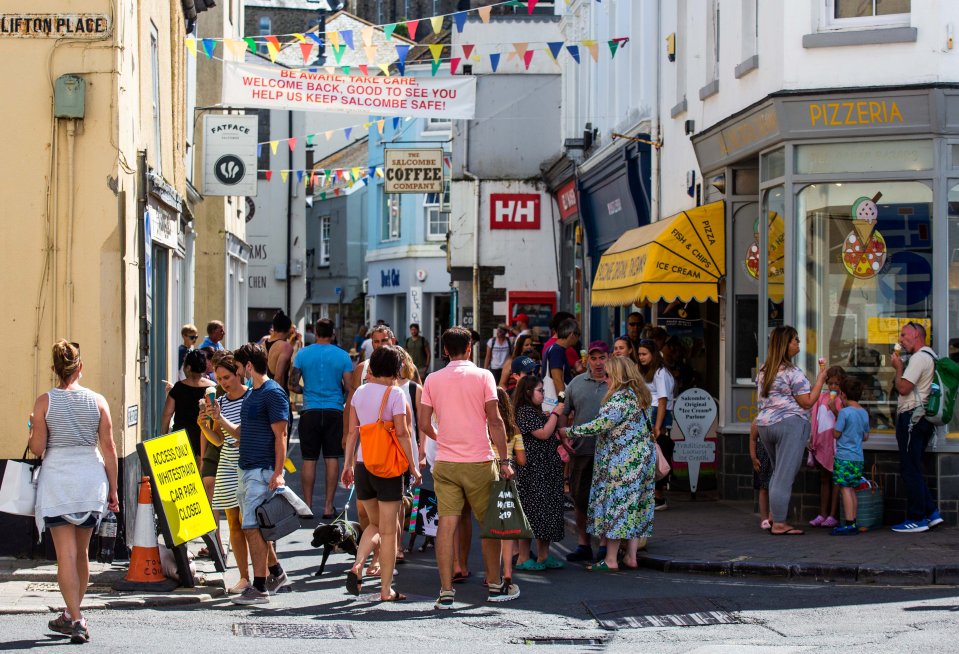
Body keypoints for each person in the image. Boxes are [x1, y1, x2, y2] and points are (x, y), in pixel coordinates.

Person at [419, 326, 518, 608]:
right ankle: (495, 585)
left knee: (447, 525)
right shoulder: (484, 375)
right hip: (480, 460)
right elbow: (495, 420)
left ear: (445, 350)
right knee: (489, 526)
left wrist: (444, 438)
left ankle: (446, 591)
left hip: (447, 462)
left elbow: (425, 424)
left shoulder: (432, 379)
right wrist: (504, 459)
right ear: (470, 349)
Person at [30, 341, 119, 644]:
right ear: (80, 367)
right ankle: (71, 615)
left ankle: (77, 619)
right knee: (81, 554)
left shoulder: (45, 402)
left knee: (64, 557)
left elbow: (38, 448)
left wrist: (32, 429)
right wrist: (114, 489)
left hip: (58, 483)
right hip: (90, 482)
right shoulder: (97, 401)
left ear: (54, 370)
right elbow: (109, 449)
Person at [209, 343, 290, 605]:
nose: (239, 371)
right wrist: (219, 419)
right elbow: (241, 435)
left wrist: (278, 473)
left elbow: (282, 435)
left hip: (262, 469)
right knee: (252, 527)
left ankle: (259, 587)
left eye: (240, 367)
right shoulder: (254, 395)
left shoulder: (272, 393)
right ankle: (274, 575)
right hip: (245, 469)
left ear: (249, 366)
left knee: (253, 528)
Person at [341, 345, 421, 601]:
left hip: (363, 465)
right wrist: (414, 466)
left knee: (373, 523)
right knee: (388, 531)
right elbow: (402, 433)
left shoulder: (360, 393)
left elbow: (353, 432)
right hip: (388, 468)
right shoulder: (395, 394)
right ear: (397, 369)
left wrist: (348, 465)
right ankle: (386, 590)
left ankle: (358, 563)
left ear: (372, 367)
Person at [560, 356, 655, 571]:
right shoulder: (640, 397)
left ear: (619, 377)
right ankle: (631, 556)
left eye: (609, 376)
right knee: (635, 506)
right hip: (643, 460)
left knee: (617, 507)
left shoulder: (619, 399)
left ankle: (611, 559)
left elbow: (600, 425)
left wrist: (570, 431)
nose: (605, 380)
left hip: (622, 462)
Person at [755, 326, 826, 536]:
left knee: (778, 473)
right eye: (795, 340)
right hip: (790, 425)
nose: (798, 343)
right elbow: (807, 402)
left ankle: (773, 516)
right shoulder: (792, 372)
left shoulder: (764, 370)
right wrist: (821, 378)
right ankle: (779, 523)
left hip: (765, 426)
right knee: (784, 476)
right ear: (785, 344)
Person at [197, 353, 252, 594]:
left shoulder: (251, 398)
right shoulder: (223, 402)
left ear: (238, 372)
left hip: (250, 464)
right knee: (234, 524)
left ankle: (271, 569)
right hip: (228, 465)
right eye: (218, 379)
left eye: (227, 377)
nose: (223, 383)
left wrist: (219, 417)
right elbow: (219, 440)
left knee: (254, 525)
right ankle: (243, 576)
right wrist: (204, 424)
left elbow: (241, 435)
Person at [289, 319, 353, 517]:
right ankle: (328, 506)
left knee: (309, 459)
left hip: (310, 410)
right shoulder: (343, 356)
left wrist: (305, 389)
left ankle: (307, 506)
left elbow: (292, 383)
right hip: (334, 410)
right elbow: (350, 388)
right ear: (333, 333)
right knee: (331, 458)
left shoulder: (303, 354)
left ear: (315, 332)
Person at [890, 321, 943, 532]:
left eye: (904, 335)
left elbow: (903, 388)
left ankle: (917, 518)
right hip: (922, 419)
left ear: (917, 335)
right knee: (913, 466)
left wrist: (898, 368)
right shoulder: (931, 356)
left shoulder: (920, 357)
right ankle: (931, 512)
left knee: (909, 468)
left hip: (912, 418)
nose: (900, 340)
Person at [561, 341, 610, 563]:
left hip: (610, 453)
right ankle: (583, 544)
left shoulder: (617, 384)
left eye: (602, 358)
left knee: (605, 500)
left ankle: (605, 545)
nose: (598, 363)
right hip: (582, 451)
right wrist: (562, 437)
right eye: (594, 358)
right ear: (587, 359)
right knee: (581, 499)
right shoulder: (576, 383)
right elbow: (564, 411)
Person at [511, 376, 566, 571]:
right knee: (531, 512)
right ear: (528, 392)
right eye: (539, 390)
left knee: (548, 512)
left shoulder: (535, 411)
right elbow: (542, 433)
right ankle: (523, 557)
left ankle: (544, 555)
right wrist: (555, 414)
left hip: (547, 468)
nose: (543, 394)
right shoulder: (524, 411)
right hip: (533, 470)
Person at [159, 349, 216, 467]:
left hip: (181, 438)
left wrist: (163, 436)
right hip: (206, 436)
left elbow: (167, 414)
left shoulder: (178, 387)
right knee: (203, 477)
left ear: (188, 367)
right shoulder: (213, 388)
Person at [637, 339, 675, 511]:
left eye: (644, 354)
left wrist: (657, 426)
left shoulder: (660, 373)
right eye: (639, 354)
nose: (641, 357)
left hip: (656, 414)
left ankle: (658, 495)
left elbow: (662, 401)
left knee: (658, 452)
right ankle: (652, 494)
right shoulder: (647, 371)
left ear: (653, 354)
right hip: (648, 412)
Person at [494, 386, 526, 586]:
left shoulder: (485, 426)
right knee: (506, 528)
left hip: (489, 474)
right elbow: (522, 459)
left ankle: (492, 573)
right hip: (508, 477)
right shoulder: (514, 429)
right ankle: (507, 571)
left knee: (491, 529)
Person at [831, 377, 870, 536]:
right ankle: (853, 520)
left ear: (843, 394)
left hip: (844, 456)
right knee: (852, 488)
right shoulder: (864, 412)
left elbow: (836, 433)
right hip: (858, 457)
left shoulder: (844, 413)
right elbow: (866, 436)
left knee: (845, 489)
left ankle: (849, 523)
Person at [808, 366, 845, 529]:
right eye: (830, 384)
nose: (833, 387)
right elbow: (815, 420)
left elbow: (845, 421)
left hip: (836, 446)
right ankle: (822, 513)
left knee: (836, 480)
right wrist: (811, 438)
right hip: (822, 445)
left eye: (837, 384)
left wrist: (835, 410)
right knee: (824, 480)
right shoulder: (821, 398)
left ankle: (832, 514)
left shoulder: (842, 401)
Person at [543, 318, 580, 410]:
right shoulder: (557, 351)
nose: (578, 339)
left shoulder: (554, 348)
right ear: (572, 334)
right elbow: (558, 380)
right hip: (555, 405)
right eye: (578, 335)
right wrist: (563, 404)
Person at [749, 420, 773, 530]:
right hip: (763, 459)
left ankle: (773, 516)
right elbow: (753, 440)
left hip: (776, 457)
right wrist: (754, 458)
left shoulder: (780, 418)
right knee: (763, 487)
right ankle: (764, 519)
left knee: (775, 488)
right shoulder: (758, 421)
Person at [265, 310, 295, 394]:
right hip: (278, 395)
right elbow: (278, 376)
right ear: (288, 329)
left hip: (264, 393)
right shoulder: (285, 347)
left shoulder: (264, 344)